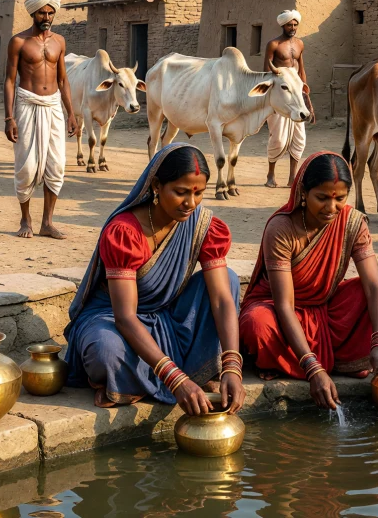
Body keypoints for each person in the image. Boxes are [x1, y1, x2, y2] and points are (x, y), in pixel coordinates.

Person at [62, 144, 244, 414]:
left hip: (168, 319)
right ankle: (170, 375)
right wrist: (176, 379)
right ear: (157, 186)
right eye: (180, 192)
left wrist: (233, 366)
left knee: (226, 279)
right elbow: (125, 318)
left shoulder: (204, 225)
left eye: (198, 193)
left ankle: (139, 382)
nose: (190, 203)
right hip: (113, 321)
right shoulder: (125, 232)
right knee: (105, 352)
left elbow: (220, 301)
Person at [239, 152, 378, 409]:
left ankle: (328, 361)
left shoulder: (352, 222)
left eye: (340, 199)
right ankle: (299, 360)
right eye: (321, 198)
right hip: (281, 314)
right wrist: (313, 369)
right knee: (257, 323)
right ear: (303, 193)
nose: (331, 208)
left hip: (327, 311)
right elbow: (284, 305)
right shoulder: (282, 228)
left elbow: (373, 285)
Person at [4, 0, 76, 239]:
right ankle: (25, 220)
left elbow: (63, 79)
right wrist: (9, 117)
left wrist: (71, 113)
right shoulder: (19, 41)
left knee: (55, 165)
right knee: (28, 166)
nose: (46, 16)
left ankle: (47, 222)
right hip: (27, 104)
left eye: (50, 12)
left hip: (54, 105)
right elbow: (10, 81)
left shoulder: (59, 41)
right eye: (42, 12)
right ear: (33, 13)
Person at [263, 9, 313, 187]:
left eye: (295, 24)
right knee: (278, 138)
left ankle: (293, 177)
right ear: (282, 25)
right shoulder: (274, 44)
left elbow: (301, 70)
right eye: (289, 25)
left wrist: (306, 97)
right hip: (281, 95)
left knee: (299, 138)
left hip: (297, 95)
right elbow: (267, 73)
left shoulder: (300, 44)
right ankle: (270, 175)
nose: (292, 27)